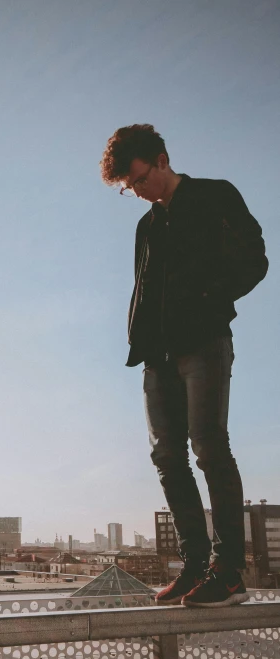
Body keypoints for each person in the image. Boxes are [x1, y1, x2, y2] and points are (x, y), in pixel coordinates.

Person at [99, 124, 268, 607]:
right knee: (167, 458)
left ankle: (230, 570)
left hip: (204, 342)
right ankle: (196, 565)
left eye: (139, 180)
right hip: (158, 352)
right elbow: (144, 285)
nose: (137, 193)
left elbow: (255, 259)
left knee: (209, 447)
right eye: (128, 189)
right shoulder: (147, 224)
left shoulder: (215, 195)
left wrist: (209, 299)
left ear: (163, 160)